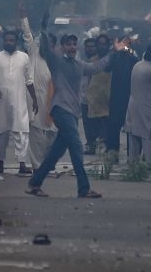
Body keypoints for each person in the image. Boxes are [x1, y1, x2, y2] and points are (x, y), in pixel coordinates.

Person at [27, 13, 128, 199]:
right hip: (61, 109)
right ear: (62, 47)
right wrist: (43, 28)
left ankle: (35, 183)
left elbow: (97, 67)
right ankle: (84, 189)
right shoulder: (57, 61)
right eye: (68, 44)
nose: (72, 47)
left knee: (55, 153)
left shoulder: (79, 65)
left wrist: (114, 51)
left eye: (74, 44)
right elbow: (46, 49)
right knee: (76, 148)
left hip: (72, 112)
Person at [0, 29, 39, 175]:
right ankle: (0, 162)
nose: (9, 42)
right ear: (3, 41)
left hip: (19, 100)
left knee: (21, 131)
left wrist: (34, 100)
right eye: (7, 40)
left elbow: (29, 80)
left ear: (16, 42)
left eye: (12, 40)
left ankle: (22, 163)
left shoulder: (24, 57)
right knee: (0, 131)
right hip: (0, 101)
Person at [20, 4, 58, 170]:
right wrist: (24, 17)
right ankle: (37, 166)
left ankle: (48, 163)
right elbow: (28, 35)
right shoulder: (34, 54)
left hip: (51, 102)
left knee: (52, 133)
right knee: (36, 135)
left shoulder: (56, 60)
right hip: (34, 100)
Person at [106, 38, 139, 160]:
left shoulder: (133, 59)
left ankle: (133, 155)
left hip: (129, 96)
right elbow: (106, 68)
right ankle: (113, 153)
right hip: (117, 96)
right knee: (114, 126)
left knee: (131, 127)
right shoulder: (115, 58)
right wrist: (114, 52)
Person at [84, 34, 112, 153]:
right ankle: (91, 146)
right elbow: (88, 80)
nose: (102, 46)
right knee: (91, 125)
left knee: (105, 124)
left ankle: (105, 146)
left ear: (108, 45)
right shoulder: (92, 61)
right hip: (93, 98)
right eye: (100, 44)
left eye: (104, 44)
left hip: (107, 97)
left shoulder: (112, 60)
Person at [80, 37, 97, 154]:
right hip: (84, 98)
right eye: (87, 47)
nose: (89, 49)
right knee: (87, 123)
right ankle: (90, 143)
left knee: (94, 123)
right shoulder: (84, 61)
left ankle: (94, 144)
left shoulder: (97, 62)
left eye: (92, 47)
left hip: (95, 99)